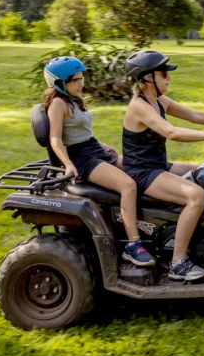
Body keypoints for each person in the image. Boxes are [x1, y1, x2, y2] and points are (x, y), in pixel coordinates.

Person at [121, 50, 204, 281]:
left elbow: (192, 115)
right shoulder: (139, 106)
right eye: (163, 74)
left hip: (157, 165)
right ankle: (178, 263)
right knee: (196, 196)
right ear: (147, 78)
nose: (169, 77)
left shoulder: (158, 101)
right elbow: (172, 132)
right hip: (142, 172)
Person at [42, 56, 155, 267]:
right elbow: (55, 139)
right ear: (59, 83)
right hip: (82, 158)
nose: (81, 83)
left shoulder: (73, 100)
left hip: (93, 149)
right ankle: (133, 245)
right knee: (128, 185)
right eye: (75, 80)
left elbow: (79, 132)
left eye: (81, 79)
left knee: (139, 167)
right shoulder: (58, 103)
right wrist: (68, 164)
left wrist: (101, 145)